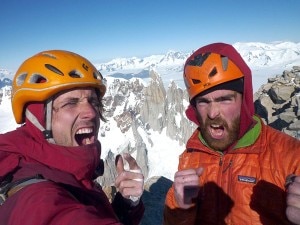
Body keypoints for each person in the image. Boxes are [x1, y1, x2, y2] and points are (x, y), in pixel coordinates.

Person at [0, 50, 145, 225]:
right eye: (70, 103)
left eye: (93, 101)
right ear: (37, 116)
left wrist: (127, 205)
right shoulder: (36, 198)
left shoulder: (65, 169)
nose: (91, 112)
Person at [163, 42, 300, 224]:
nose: (212, 113)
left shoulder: (292, 158)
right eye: (203, 102)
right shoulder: (191, 157)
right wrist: (181, 207)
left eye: (224, 100)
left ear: (244, 100)